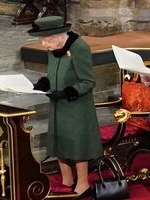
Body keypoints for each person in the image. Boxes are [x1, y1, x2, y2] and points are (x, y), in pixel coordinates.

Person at [27, 16, 103, 199]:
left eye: (46, 40)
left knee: (77, 144)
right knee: (60, 140)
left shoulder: (80, 48)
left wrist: (67, 92)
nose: (44, 44)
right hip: (58, 104)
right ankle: (67, 180)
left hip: (76, 105)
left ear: (56, 36)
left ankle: (83, 184)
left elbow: (88, 81)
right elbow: (53, 72)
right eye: (42, 40)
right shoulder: (54, 48)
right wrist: (44, 83)